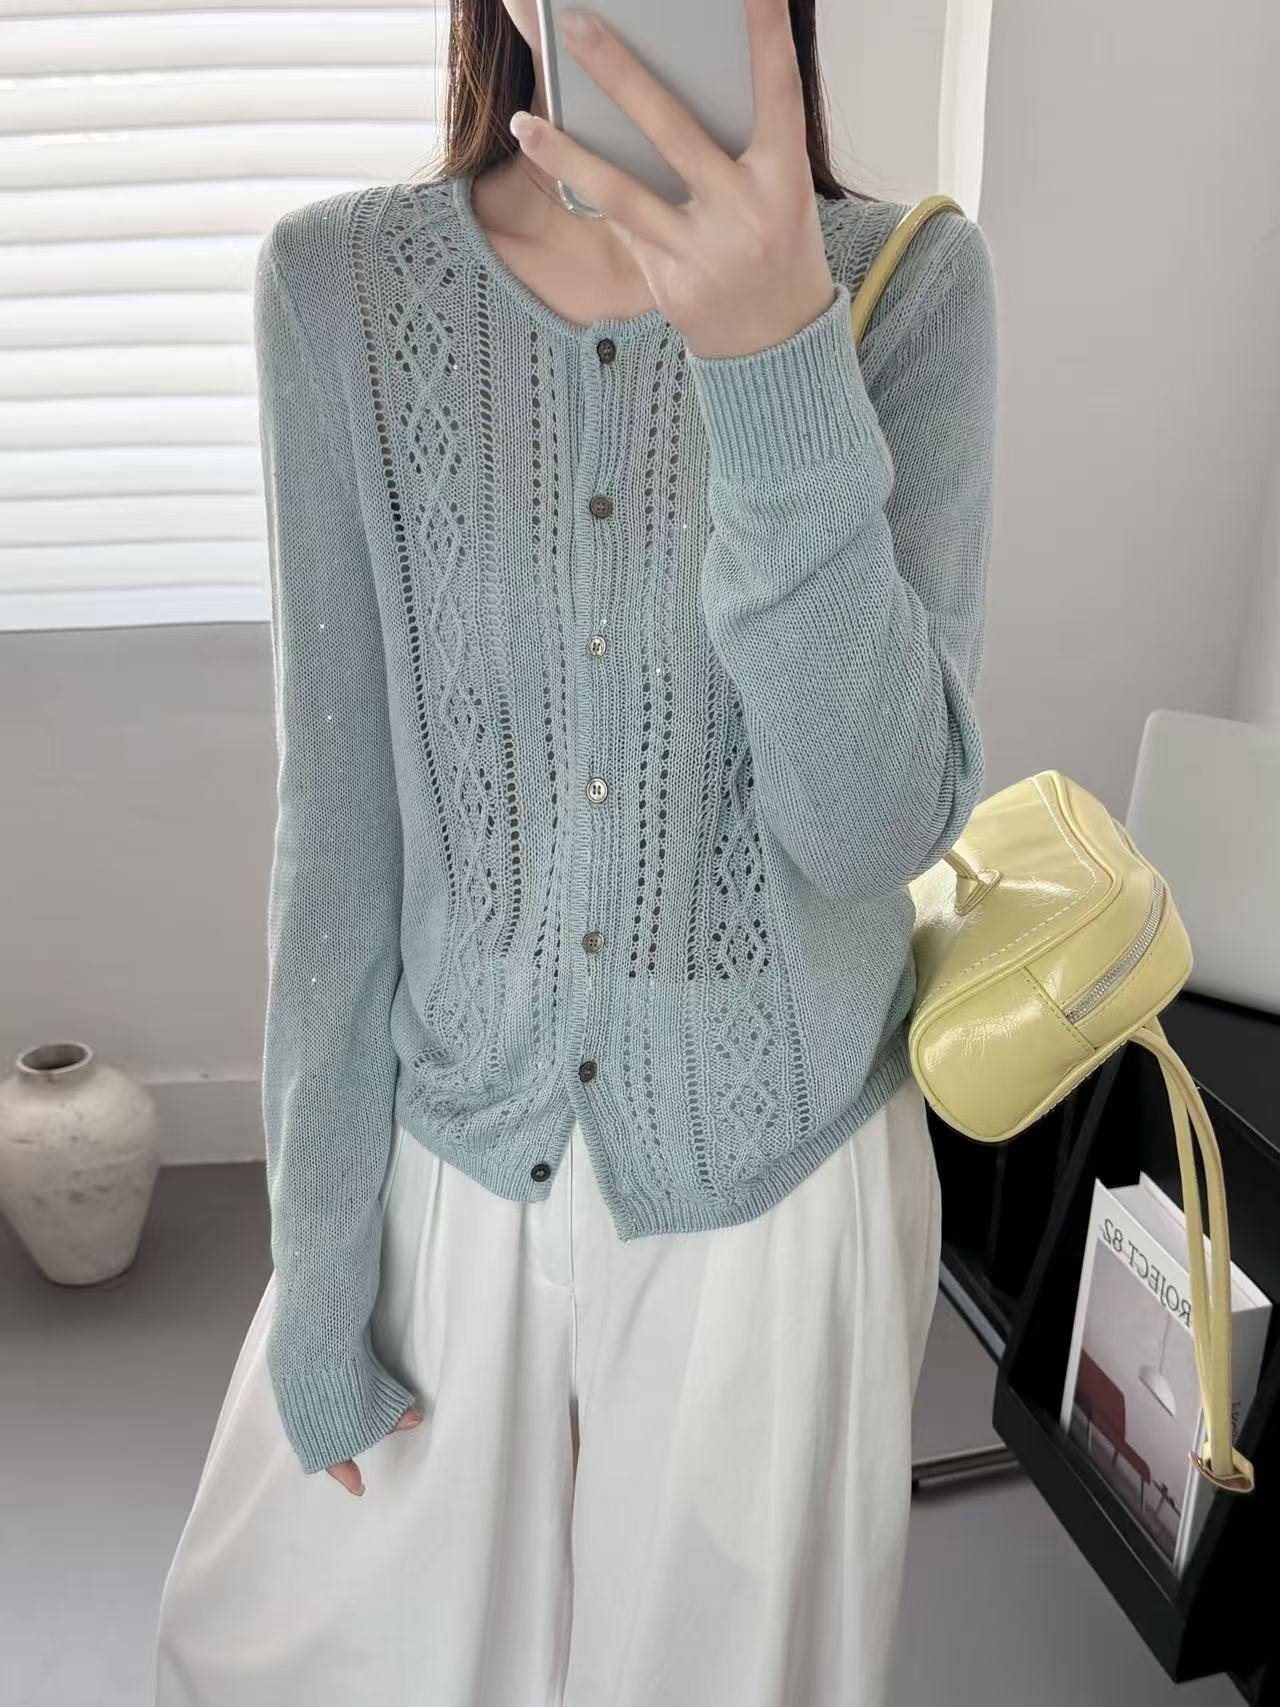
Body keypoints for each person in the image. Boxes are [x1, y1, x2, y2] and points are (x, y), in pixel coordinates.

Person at [152, 0, 997, 1700]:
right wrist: (317, 1263)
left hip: (777, 1196)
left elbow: (873, 833)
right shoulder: (337, 288)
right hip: (452, 1164)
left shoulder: (906, 283)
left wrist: (773, 364)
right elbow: (338, 824)